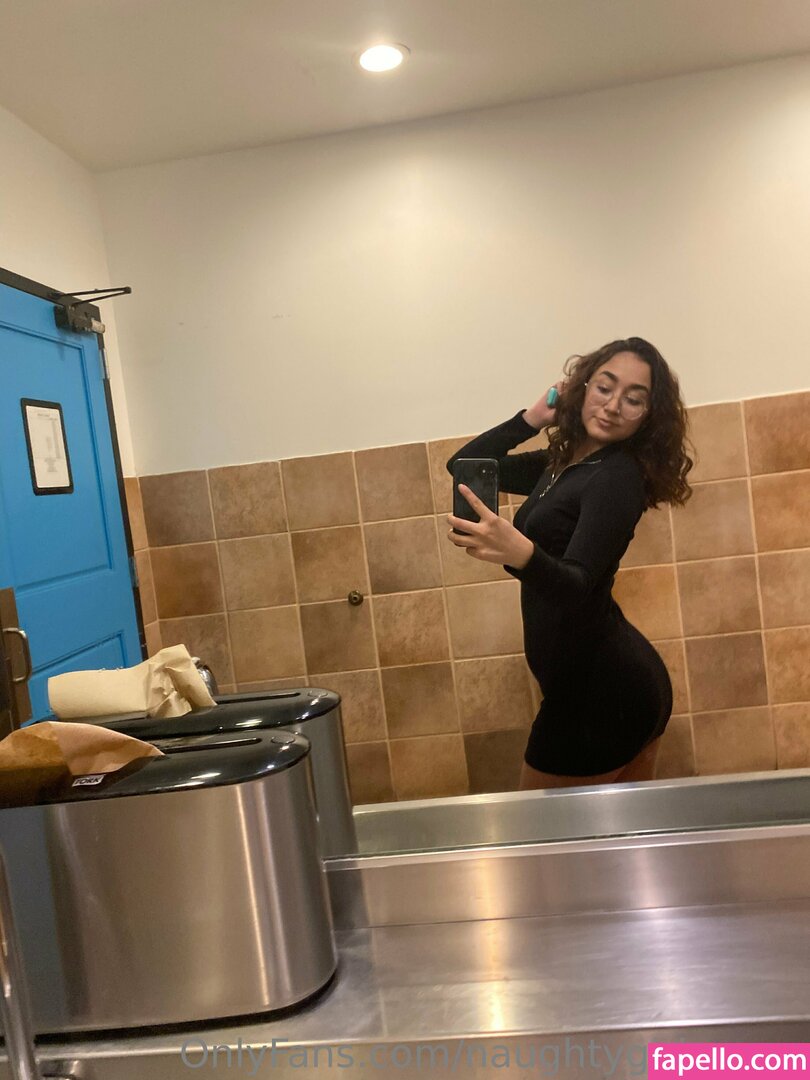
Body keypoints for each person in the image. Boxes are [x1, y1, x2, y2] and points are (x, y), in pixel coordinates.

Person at [446, 337, 693, 788]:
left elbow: (578, 585)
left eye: (633, 398)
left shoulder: (616, 477)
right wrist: (532, 418)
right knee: (621, 832)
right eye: (605, 387)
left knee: (540, 830)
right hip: (605, 686)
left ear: (648, 415)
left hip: (599, 696)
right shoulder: (563, 461)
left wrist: (520, 553)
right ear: (582, 388)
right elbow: (464, 465)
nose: (613, 405)